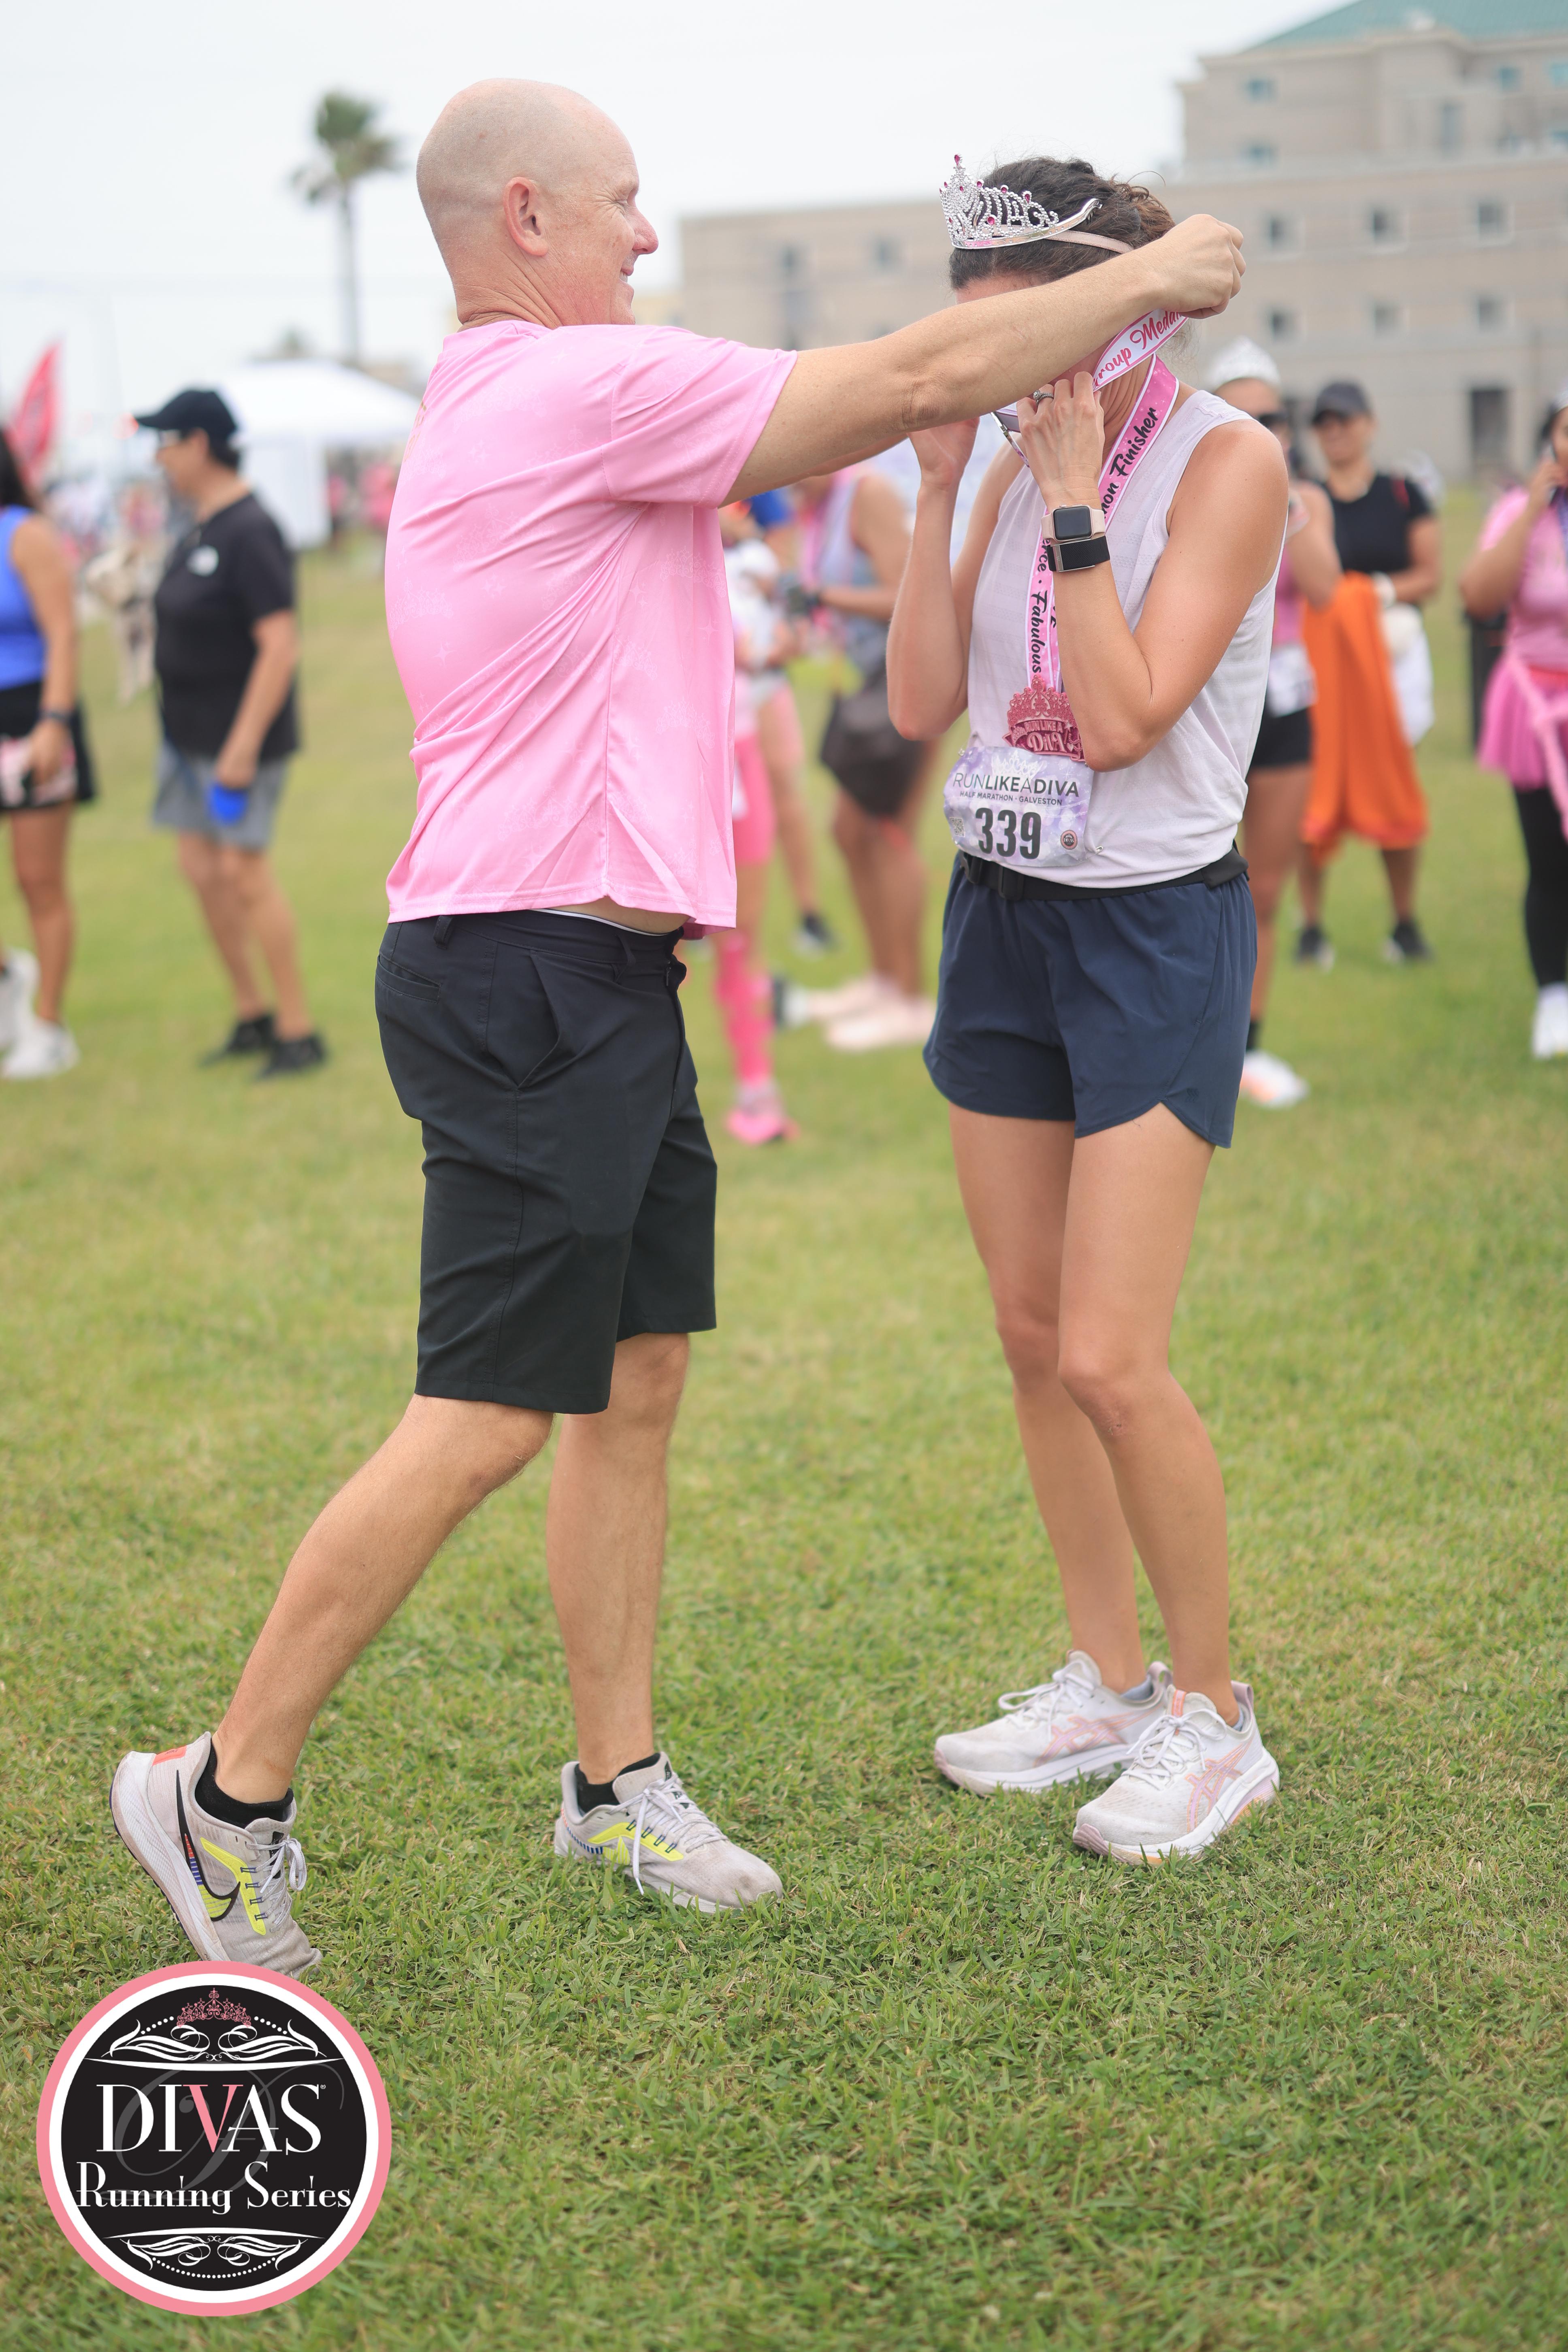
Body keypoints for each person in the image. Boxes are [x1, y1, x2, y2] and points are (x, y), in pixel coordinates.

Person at [108, 81, 1242, 1970]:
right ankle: (221, 1790)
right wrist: (1157, 270)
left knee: (633, 1381)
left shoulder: (541, 396)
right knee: (483, 1412)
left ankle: (613, 1778)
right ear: (527, 216)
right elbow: (911, 374)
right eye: (624, 203)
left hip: (599, 973)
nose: (647, 236)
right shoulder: (561, 383)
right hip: (521, 968)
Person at [888, 153, 1284, 1864]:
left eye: (1012, 322)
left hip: (1151, 929)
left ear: (1111, 311)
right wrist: (937, 492)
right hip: (1004, 913)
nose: (984, 356)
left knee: (1114, 1356)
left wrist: (1068, 501)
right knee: (1031, 1328)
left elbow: (1121, 717)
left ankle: (1211, 1714)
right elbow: (923, 696)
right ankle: (1106, 1678)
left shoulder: (1226, 460)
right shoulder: (989, 452)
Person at [139, 389, 327, 1077]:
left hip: (236, 740)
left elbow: (280, 646)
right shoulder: (196, 525)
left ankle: (298, 1031)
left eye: (164, 443)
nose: (158, 459)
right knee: (200, 869)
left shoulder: (251, 529)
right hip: (184, 733)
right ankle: (252, 1014)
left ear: (198, 443)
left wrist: (242, 747)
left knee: (244, 874)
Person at [1210, 341, 1341, 1108]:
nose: (1261, 431)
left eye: (1272, 419)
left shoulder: (1305, 500)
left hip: (1284, 700)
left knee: (1262, 889)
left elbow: (1324, 589)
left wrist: (1285, 497)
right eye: (1243, 417)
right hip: (1206, 702)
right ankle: (1191, 1034)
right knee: (1191, 880)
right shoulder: (1191, 489)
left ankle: (1247, 1045)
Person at [791, 463, 941, 1050]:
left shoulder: (866, 494)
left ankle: (910, 998)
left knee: (888, 835)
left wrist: (823, 597)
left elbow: (910, 596)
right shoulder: (820, 505)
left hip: (906, 684)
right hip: (864, 686)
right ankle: (883, 982)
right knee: (851, 833)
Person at [1297, 380, 1442, 968]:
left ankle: (1404, 920)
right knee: (1313, 785)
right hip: (1323, 661)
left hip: (1391, 651)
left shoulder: (1402, 493)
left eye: (1345, 419)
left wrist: (1375, 592)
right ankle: (1311, 925)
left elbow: (1429, 574)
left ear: (1369, 423)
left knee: (1391, 780)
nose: (1335, 430)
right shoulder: (1307, 500)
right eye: (1324, 421)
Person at [1460, 387, 1568, 1059]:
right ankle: (1553, 995)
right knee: (1549, 857)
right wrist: (1530, 509)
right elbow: (1478, 597)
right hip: (1538, 706)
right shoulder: (1520, 511)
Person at [0, 427, 95, 1079]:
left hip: (32, 716)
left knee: (38, 880)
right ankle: (12, 976)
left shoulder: (25, 533)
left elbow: (63, 634)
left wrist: (54, 723)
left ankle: (50, 1025)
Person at [717, 501, 796, 1142]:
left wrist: (782, 636)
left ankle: (756, 1086)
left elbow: (775, 645)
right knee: (650, 943)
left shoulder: (748, 563)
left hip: (738, 753)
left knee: (743, 932)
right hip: (671, 765)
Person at [745, 486, 836, 955]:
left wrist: (794, 622)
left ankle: (809, 914)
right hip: (701, 682)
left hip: (762, 677)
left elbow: (785, 560)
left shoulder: (752, 486)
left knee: (785, 794)